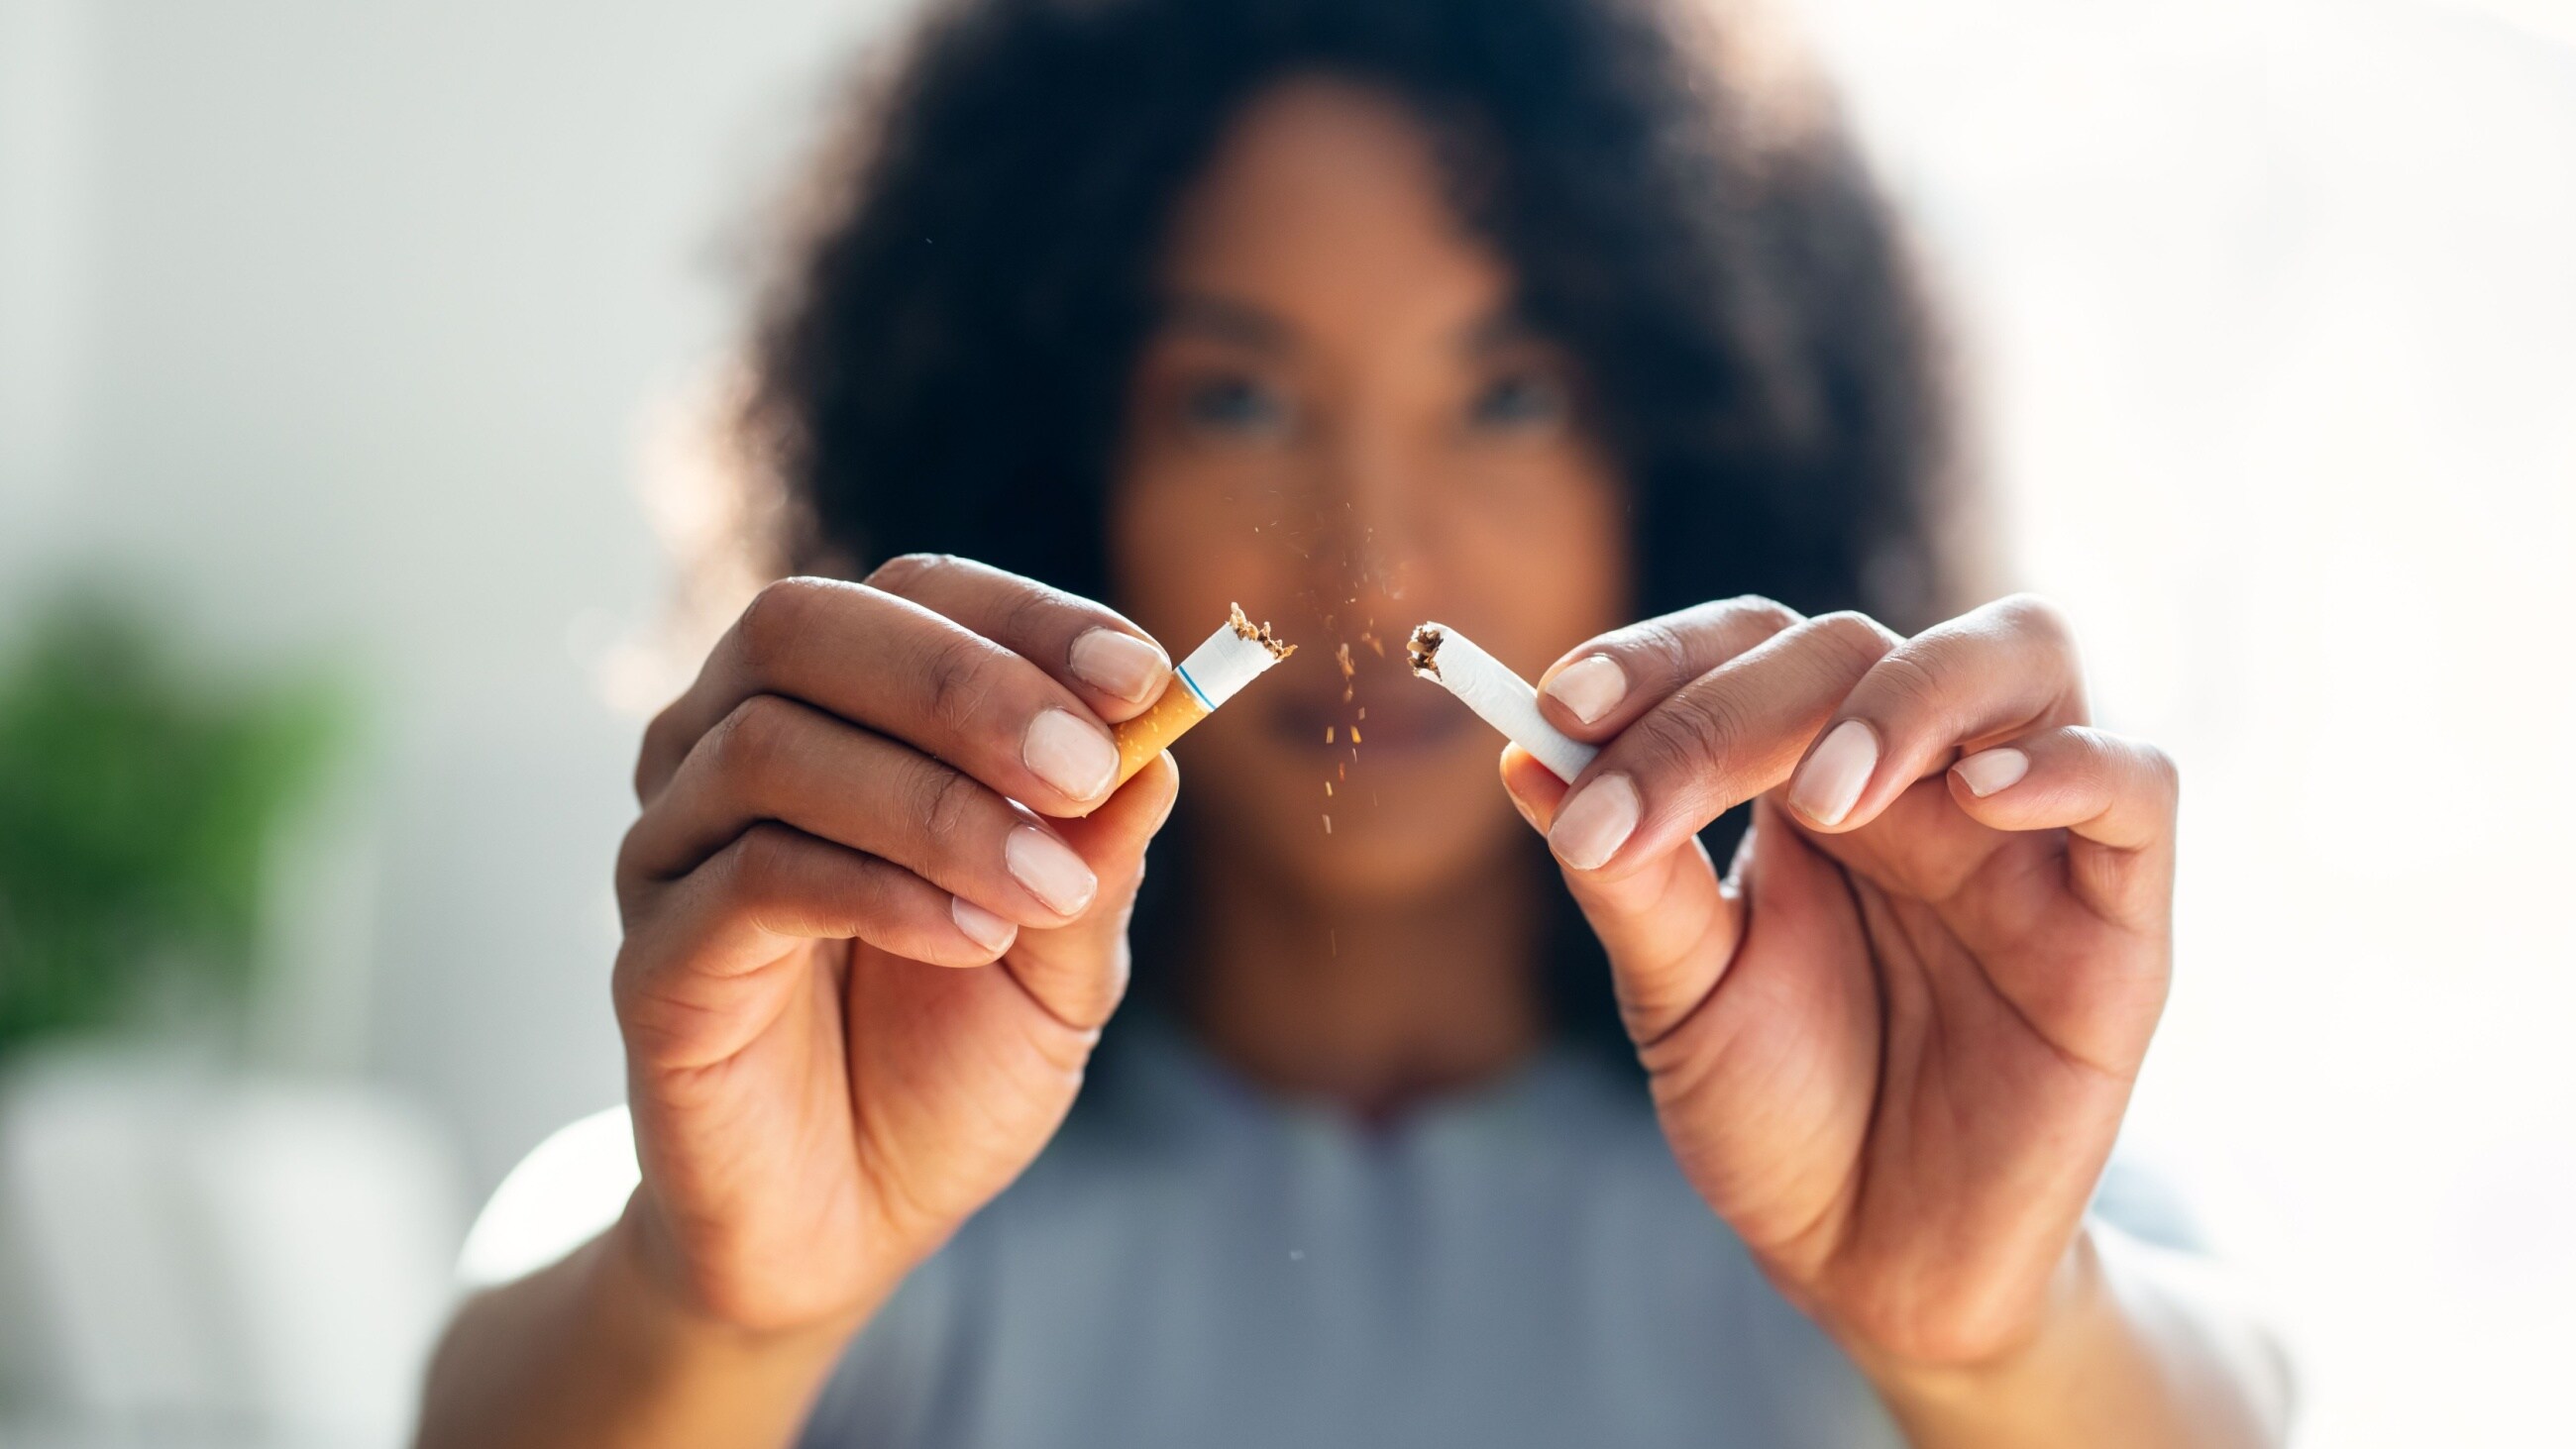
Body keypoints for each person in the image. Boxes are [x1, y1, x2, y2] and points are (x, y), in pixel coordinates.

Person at [416, 0, 2293, 1443]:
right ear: (1065, 467)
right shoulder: (814, 1148)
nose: (1377, 572)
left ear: (1689, 454)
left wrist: (1991, 1337)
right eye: (1235, 402)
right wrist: (718, 1318)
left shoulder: (1919, 1132)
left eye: (1512, 396)